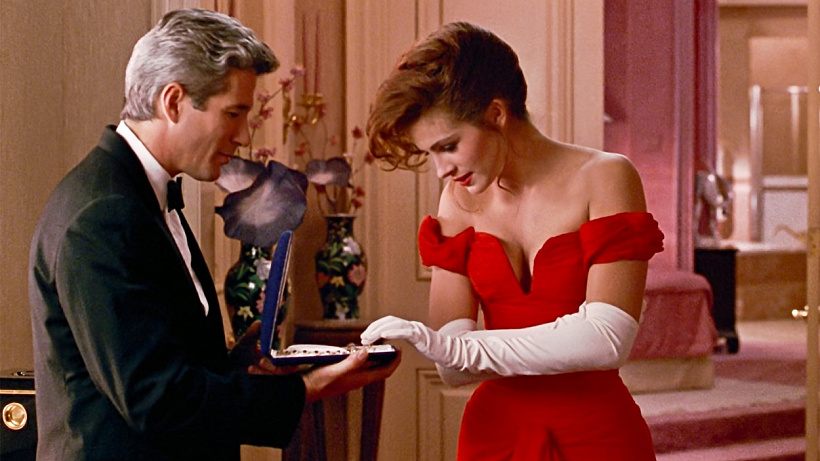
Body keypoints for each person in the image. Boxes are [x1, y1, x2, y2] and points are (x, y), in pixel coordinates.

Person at [28, 9, 398, 461]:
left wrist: (239, 363)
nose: (243, 136)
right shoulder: (103, 214)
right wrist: (306, 389)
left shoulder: (138, 196)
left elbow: (162, 358)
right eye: (234, 112)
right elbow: (155, 398)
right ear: (173, 102)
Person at [361, 22, 663, 460]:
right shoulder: (456, 201)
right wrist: (451, 349)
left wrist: (458, 346)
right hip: (493, 436)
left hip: (599, 435)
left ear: (496, 114)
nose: (442, 170)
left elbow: (607, 338)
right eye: (430, 154)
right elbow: (453, 368)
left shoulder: (606, 176)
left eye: (449, 146)